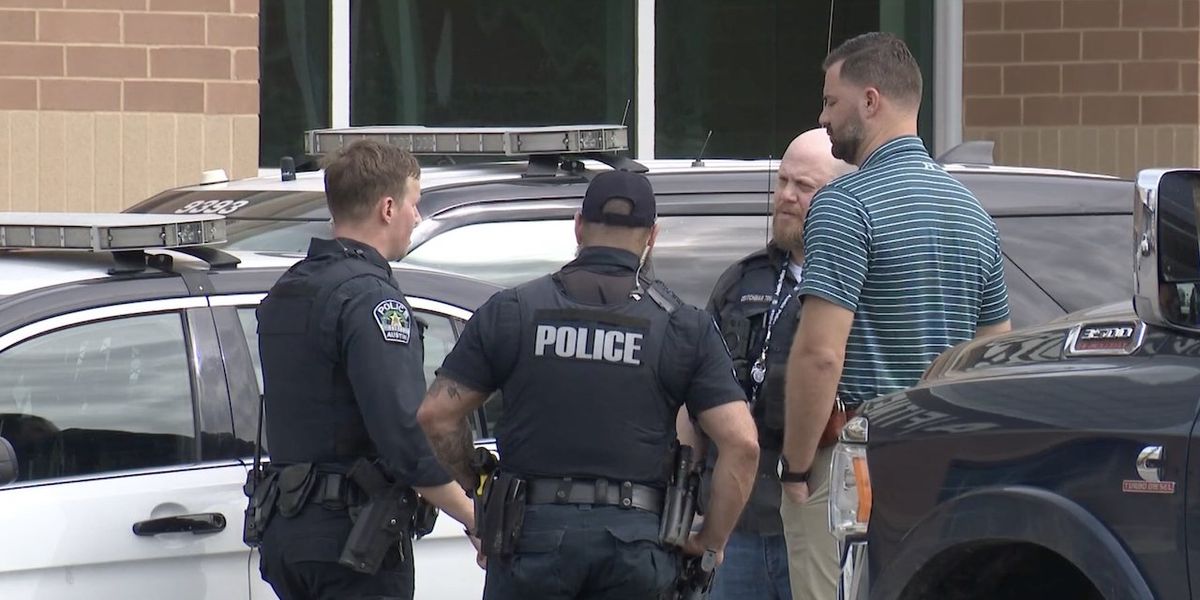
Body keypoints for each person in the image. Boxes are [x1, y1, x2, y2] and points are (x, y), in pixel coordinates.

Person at [418, 169, 760, 600]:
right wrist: (710, 541)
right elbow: (742, 444)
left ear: (578, 226)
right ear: (652, 236)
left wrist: (480, 489)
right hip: (636, 548)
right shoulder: (682, 326)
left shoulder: (513, 311)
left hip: (529, 541)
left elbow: (436, 416)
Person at [780, 32, 1012, 599]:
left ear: (870, 101)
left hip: (856, 466)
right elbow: (992, 357)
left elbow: (820, 354)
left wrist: (796, 467)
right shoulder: (974, 214)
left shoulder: (844, 203)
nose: (823, 117)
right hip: (944, 468)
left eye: (831, 101)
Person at [252, 140, 477, 600]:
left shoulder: (290, 288)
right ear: (388, 208)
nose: (417, 217)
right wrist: (474, 517)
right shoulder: (372, 300)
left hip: (288, 531)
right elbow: (403, 433)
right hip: (352, 542)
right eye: (414, 204)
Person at [705, 128, 853, 600]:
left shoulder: (857, 284)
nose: (786, 196)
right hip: (739, 520)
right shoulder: (741, 279)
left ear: (843, 196)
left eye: (804, 186)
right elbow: (696, 391)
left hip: (819, 514)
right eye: (782, 181)